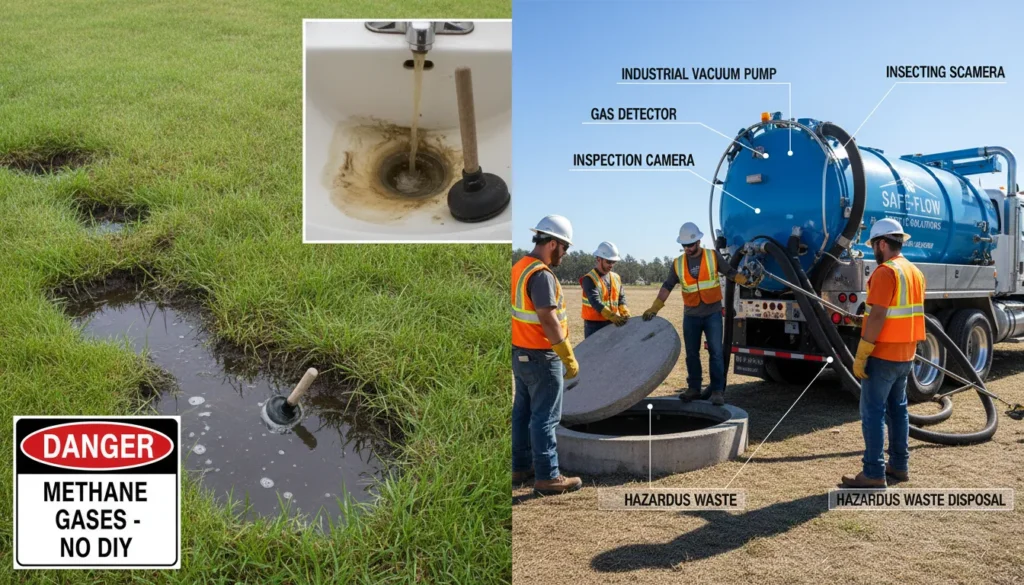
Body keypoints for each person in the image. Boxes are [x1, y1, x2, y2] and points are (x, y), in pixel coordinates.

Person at [842, 218, 925, 488]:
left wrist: (863, 351)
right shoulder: (914, 271)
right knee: (898, 411)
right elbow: (893, 313)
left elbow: (878, 314)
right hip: (906, 354)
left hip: (883, 354)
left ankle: (874, 472)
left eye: (873, 246)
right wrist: (863, 321)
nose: (873, 252)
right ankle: (900, 466)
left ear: (882, 243)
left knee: (873, 412)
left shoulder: (885, 272)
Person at [511, 214, 583, 496]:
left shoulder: (520, 267)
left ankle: (520, 467)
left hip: (521, 353)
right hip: (543, 356)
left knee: (522, 412)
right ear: (552, 243)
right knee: (546, 418)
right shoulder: (541, 274)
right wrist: (566, 354)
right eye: (564, 248)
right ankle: (548, 476)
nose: (564, 254)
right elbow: (547, 317)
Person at [641, 222, 748, 406]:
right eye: (684, 246)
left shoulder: (712, 256)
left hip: (712, 314)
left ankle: (717, 391)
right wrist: (655, 307)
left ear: (698, 241)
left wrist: (743, 279)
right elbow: (667, 285)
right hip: (691, 315)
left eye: (690, 245)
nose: (687, 249)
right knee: (692, 354)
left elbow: (730, 272)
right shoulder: (678, 263)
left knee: (715, 353)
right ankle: (694, 389)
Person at [580, 241, 629, 338]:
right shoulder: (589, 279)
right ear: (598, 259)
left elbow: (621, 297)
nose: (611, 265)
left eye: (613, 262)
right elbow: (595, 302)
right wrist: (612, 316)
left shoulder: (616, 277)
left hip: (612, 323)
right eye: (608, 261)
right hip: (594, 326)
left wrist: (624, 312)